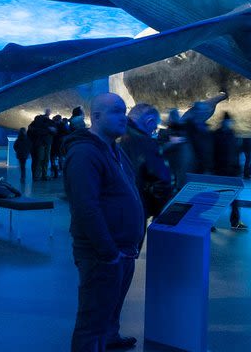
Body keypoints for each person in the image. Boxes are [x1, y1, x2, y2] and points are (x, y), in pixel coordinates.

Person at [64, 93, 144, 351]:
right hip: (102, 254)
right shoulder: (85, 154)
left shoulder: (115, 151)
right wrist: (109, 253)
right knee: (91, 322)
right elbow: (86, 208)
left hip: (122, 250)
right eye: (116, 112)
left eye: (125, 111)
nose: (124, 118)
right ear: (96, 117)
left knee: (110, 310)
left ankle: (110, 336)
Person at [120, 103, 174, 221]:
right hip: (136, 208)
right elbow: (162, 182)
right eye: (154, 128)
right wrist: (154, 209)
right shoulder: (145, 142)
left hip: (115, 206)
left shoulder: (116, 134)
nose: (153, 132)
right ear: (149, 121)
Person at [213, 112, 246, 229]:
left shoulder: (231, 134)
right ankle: (210, 222)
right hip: (221, 172)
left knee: (234, 198)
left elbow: (235, 153)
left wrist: (237, 169)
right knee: (216, 199)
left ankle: (235, 221)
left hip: (230, 172)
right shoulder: (218, 135)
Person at [27, 108, 56, 181]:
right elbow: (35, 131)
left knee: (43, 159)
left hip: (45, 143)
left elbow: (54, 131)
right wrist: (48, 130)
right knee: (41, 159)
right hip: (41, 143)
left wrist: (48, 130)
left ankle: (41, 175)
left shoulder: (48, 122)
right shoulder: (39, 121)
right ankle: (39, 175)